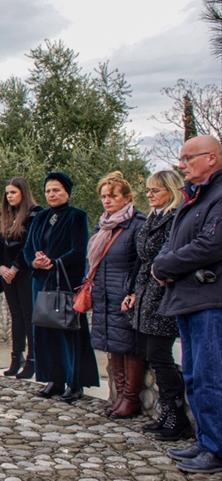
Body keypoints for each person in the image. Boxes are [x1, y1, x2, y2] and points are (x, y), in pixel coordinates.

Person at [155, 135, 222, 475]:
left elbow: (211, 244)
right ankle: (205, 439)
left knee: (212, 376)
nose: (181, 165)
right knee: (195, 374)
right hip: (188, 298)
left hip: (211, 299)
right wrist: (161, 263)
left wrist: (166, 267)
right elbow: (172, 242)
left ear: (211, 158)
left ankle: (217, 447)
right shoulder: (193, 198)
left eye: (187, 158)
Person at [123, 169, 188, 440]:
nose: (149, 195)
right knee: (156, 355)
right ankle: (167, 413)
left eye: (156, 191)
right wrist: (134, 291)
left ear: (170, 191)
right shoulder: (154, 219)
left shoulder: (174, 220)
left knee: (161, 355)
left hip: (162, 294)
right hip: (147, 293)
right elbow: (142, 261)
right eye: (148, 190)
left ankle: (176, 415)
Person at [23, 172, 98, 402]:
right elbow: (28, 247)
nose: (51, 194)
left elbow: (78, 249)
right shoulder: (40, 217)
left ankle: (74, 383)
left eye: (56, 190)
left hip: (65, 281)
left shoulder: (77, 216)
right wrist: (34, 262)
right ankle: (53, 379)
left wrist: (55, 262)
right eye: (48, 191)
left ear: (66, 191)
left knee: (69, 330)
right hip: (41, 282)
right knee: (44, 331)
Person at [88, 172, 146, 418]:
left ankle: (130, 397)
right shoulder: (102, 225)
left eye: (112, 196)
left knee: (129, 346)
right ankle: (120, 393)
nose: (107, 201)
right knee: (114, 345)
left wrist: (132, 290)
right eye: (103, 196)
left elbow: (141, 262)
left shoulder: (136, 225)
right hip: (104, 292)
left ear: (127, 198)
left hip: (123, 293)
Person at [0, 179, 40, 378]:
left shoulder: (34, 214)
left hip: (26, 272)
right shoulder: (4, 216)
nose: (9, 196)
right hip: (7, 274)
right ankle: (16, 356)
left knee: (29, 316)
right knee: (16, 316)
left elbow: (31, 243)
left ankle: (33, 359)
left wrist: (16, 267)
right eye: (7, 193)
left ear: (23, 192)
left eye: (13, 192)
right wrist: (2, 267)